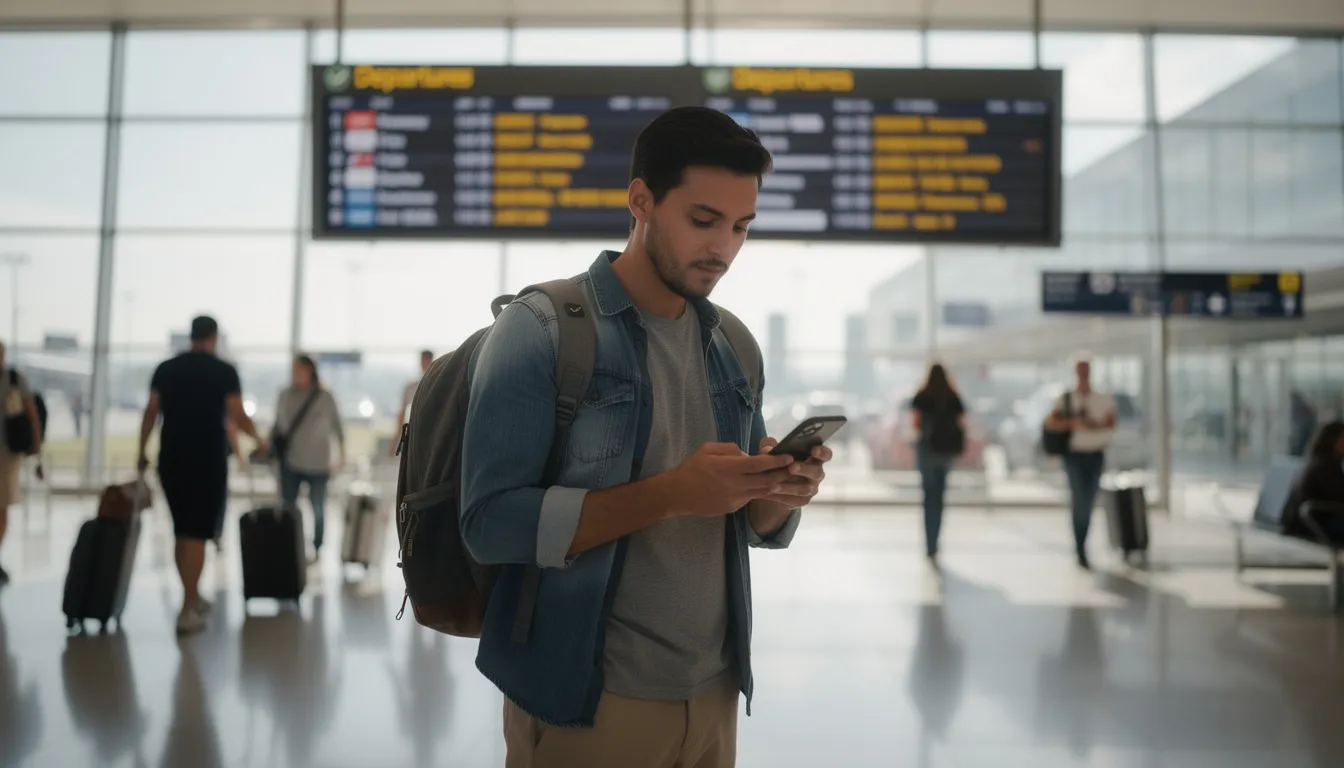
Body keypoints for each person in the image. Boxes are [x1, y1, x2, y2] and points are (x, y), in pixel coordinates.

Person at [461, 106, 833, 768]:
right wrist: (670, 493)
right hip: (591, 699)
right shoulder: (543, 328)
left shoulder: (734, 346)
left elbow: (748, 521)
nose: (723, 247)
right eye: (702, 220)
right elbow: (489, 524)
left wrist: (780, 489)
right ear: (640, 200)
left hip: (715, 695)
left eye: (741, 226)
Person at [138, 316, 267, 634]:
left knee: (182, 532)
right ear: (214, 337)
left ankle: (192, 596)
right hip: (207, 461)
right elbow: (237, 414)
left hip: (171, 460)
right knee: (197, 535)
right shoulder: (224, 371)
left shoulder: (166, 368)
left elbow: (151, 411)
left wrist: (140, 450)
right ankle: (187, 608)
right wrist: (260, 440)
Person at [1044, 355, 1116, 570]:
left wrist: (1092, 425)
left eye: (1086, 369)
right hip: (1074, 456)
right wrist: (1077, 421)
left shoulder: (1103, 398)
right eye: (1080, 369)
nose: (1083, 373)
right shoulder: (1066, 398)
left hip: (1095, 455)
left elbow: (1110, 424)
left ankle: (1083, 542)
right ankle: (1080, 547)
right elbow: (1050, 423)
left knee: (1089, 501)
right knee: (1079, 502)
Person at [272, 354, 345, 562]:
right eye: (293, 369)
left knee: (318, 508)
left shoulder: (325, 396)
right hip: (290, 461)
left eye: (298, 369)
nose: (294, 374)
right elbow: (278, 425)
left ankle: (317, 546)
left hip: (319, 463)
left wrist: (341, 455)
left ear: (310, 371)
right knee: (288, 507)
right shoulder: (285, 394)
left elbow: (337, 427)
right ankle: (289, 544)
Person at [909, 363, 965, 562]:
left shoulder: (922, 395)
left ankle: (929, 544)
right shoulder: (952, 396)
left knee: (928, 497)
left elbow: (915, 423)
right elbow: (962, 423)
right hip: (946, 452)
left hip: (927, 451)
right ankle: (936, 543)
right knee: (940, 497)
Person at [0, 342, 42, 586]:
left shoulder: (15, 379)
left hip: (7, 454)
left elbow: (31, 413)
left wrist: (36, 446)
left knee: (3, 506)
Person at [1287, 420, 1344, 541]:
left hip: (1308, 520)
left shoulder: (1316, 461)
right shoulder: (1326, 466)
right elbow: (1338, 496)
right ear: (1333, 440)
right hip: (1316, 522)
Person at [391, 350, 433, 457]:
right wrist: (396, 439)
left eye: (426, 361)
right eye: (422, 361)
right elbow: (402, 413)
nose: (424, 364)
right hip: (414, 433)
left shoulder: (437, 386)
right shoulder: (411, 387)